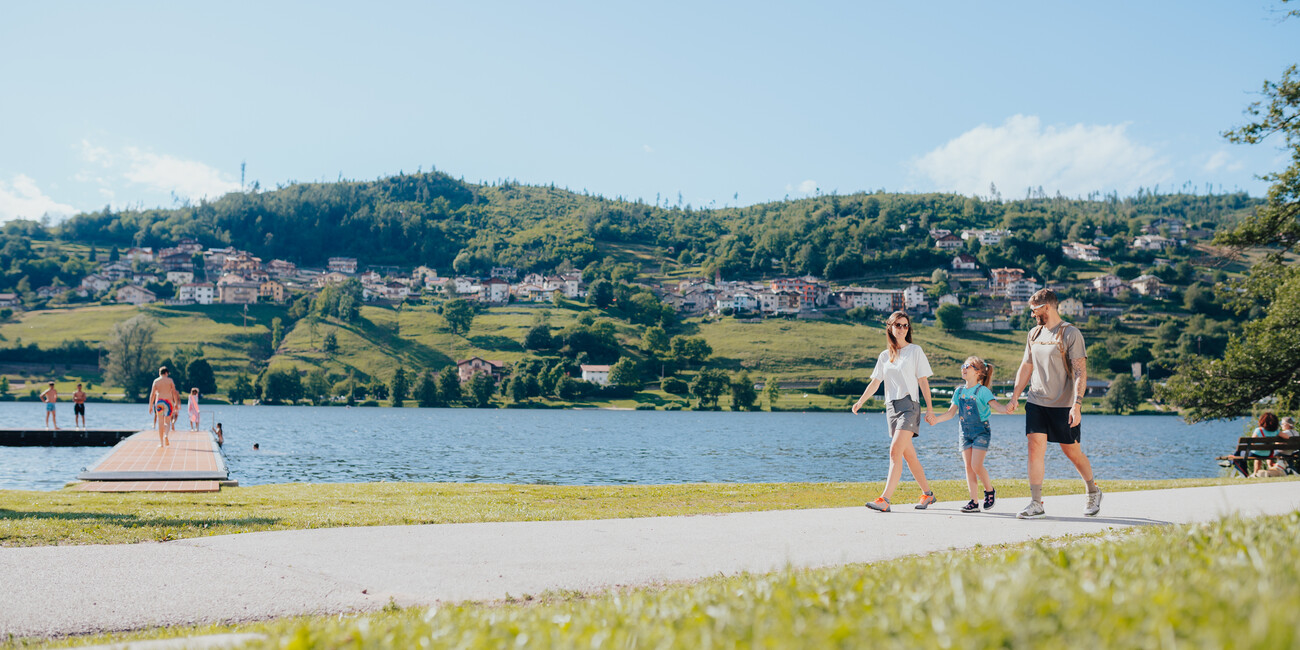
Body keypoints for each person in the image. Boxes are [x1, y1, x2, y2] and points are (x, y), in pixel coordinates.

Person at [1008, 289, 1102, 519]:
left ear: (1047, 307)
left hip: (1063, 404)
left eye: (1034, 310)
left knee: (1071, 451)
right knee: (1034, 448)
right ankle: (1036, 502)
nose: (1032, 315)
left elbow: (1080, 372)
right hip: (1036, 401)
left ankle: (1093, 490)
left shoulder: (1070, 333)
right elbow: (1026, 366)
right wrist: (1015, 396)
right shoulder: (1034, 334)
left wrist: (1076, 405)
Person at [852, 311, 939, 512]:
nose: (901, 329)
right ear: (890, 327)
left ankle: (885, 500)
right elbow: (875, 382)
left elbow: (923, 381)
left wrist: (930, 410)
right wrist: (860, 401)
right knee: (909, 456)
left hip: (909, 406)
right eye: (898, 325)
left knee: (894, 451)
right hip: (891, 408)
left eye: (905, 325)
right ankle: (928, 494)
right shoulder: (885, 356)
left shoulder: (915, 351)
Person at [927, 356, 1010, 513]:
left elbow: (998, 407)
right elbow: (951, 413)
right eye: (963, 365)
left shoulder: (983, 391)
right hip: (964, 433)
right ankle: (973, 502)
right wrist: (936, 420)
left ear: (978, 373)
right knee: (969, 467)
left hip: (981, 432)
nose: (963, 368)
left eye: (968, 366)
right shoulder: (959, 391)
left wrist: (1008, 408)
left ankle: (990, 491)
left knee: (976, 465)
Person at [147, 366, 180, 448]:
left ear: (160, 373)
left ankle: (161, 443)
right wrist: (176, 403)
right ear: (166, 373)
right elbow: (174, 392)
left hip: (159, 402)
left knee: (160, 422)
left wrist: (150, 405)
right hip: (168, 402)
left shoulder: (156, 381)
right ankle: (166, 435)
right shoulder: (170, 381)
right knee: (167, 422)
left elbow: (152, 394)